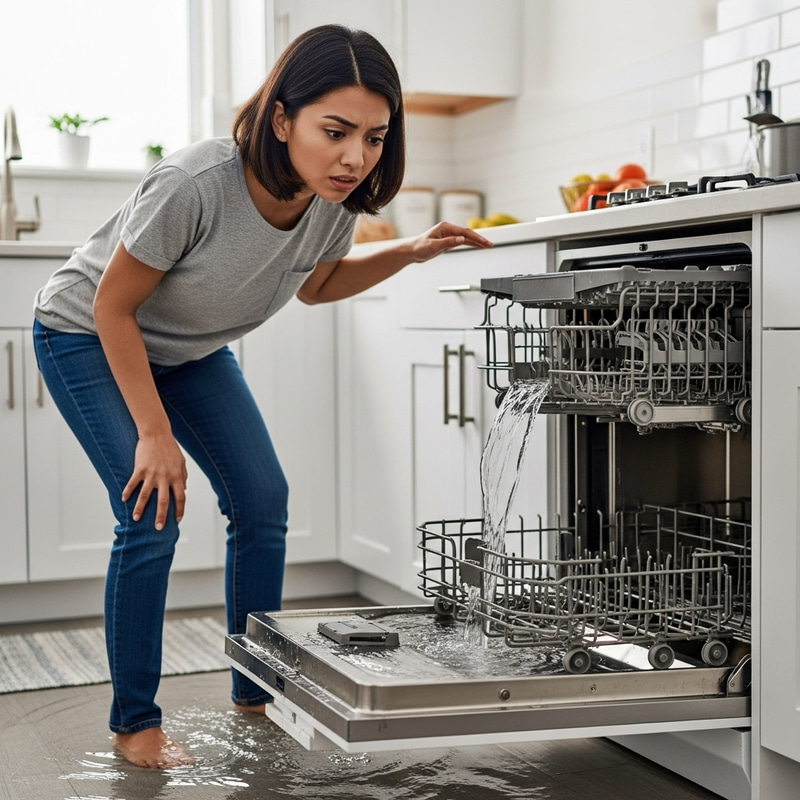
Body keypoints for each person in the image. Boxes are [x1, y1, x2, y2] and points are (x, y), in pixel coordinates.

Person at [32, 24, 492, 769]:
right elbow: (111, 308)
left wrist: (406, 249)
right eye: (336, 131)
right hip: (85, 333)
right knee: (150, 512)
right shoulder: (196, 183)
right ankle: (134, 723)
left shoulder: (334, 201)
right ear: (283, 119)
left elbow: (318, 284)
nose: (356, 156)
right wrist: (155, 435)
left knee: (262, 498)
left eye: (375, 137)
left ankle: (256, 687)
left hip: (187, 351)